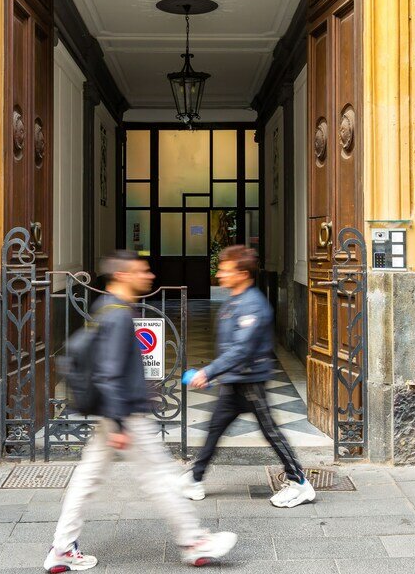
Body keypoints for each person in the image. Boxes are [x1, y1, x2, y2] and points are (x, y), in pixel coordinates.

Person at [44, 250, 238, 572]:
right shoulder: (119, 315)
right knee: (159, 476)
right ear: (123, 275)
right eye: (141, 271)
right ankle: (194, 542)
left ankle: (63, 547)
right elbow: (109, 372)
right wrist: (120, 423)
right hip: (124, 413)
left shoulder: (105, 306)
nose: (149, 275)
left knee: (88, 477)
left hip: (115, 412)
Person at [180, 245, 315, 509]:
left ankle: (300, 483)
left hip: (250, 382)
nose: (219, 274)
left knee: (270, 432)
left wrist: (208, 371)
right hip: (235, 381)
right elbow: (230, 347)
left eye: (225, 270)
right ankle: (195, 478)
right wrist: (219, 374)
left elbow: (242, 349)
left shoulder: (252, 305)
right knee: (215, 429)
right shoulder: (234, 299)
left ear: (242, 274)